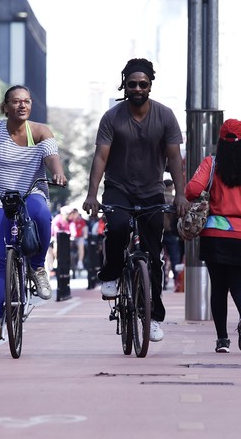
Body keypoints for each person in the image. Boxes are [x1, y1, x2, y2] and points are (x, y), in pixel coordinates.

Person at [82, 58, 188, 343]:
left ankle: (152, 317)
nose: (138, 88)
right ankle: (112, 274)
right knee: (117, 229)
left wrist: (180, 194)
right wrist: (92, 194)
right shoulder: (112, 117)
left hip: (153, 191)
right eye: (132, 84)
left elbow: (175, 158)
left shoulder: (165, 116)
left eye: (143, 84)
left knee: (154, 258)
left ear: (150, 85)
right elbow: (101, 157)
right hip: (118, 189)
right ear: (124, 85)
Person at [0, 85, 67, 341]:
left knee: (43, 214)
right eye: (16, 101)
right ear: (6, 106)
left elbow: (51, 157)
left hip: (31, 192)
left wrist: (57, 171)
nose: (22, 105)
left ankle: (37, 267)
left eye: (26, 101)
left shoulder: (40, 131)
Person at [185, 119, 241, 353]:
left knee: (219, 288)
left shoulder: (212, 163)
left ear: (221, 141)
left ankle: (222, 340)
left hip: (216, 235)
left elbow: (191, 190)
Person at [162, 179, 183, 289]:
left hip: (160, 232)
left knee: (161, 259)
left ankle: (162, 283)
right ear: (171, 187)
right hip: (172, 233)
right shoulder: (173, 199)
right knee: (175, 259)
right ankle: (177, 282)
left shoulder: (159, 199)